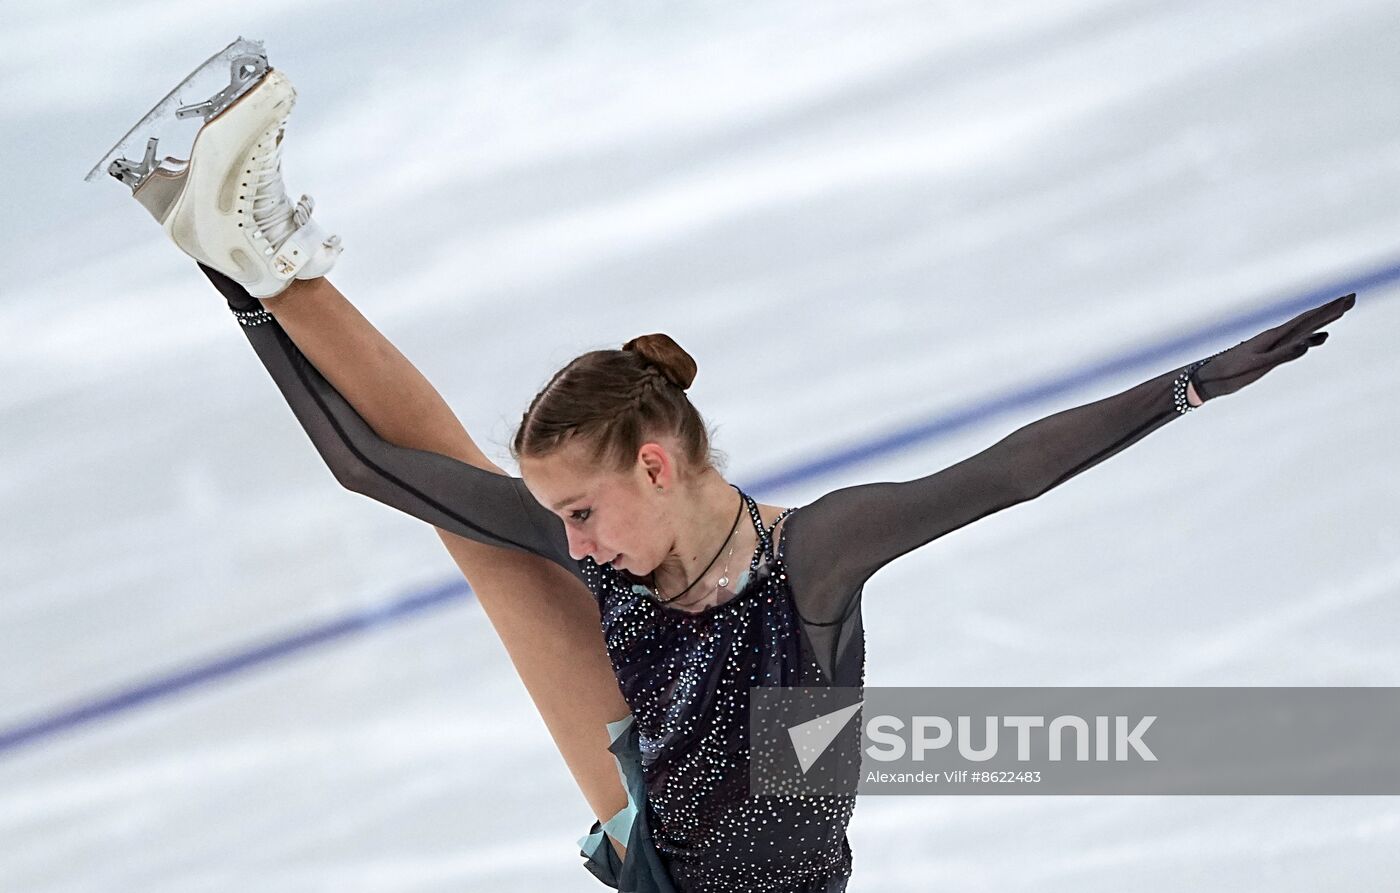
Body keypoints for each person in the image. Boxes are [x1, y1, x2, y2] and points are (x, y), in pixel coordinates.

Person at [111, 61, 1357, 893]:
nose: (577, 537)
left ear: (657, 461)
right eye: (568, 518)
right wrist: (231, 296)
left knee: (521, 558)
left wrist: (1185, 386)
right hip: (703, 811)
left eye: (585, 508)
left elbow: (1006, 471)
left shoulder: (813, 555)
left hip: (669, 847)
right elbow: (371, 467)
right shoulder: (615, 549)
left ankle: (252, 248)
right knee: (473, 518)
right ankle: (249, 246)